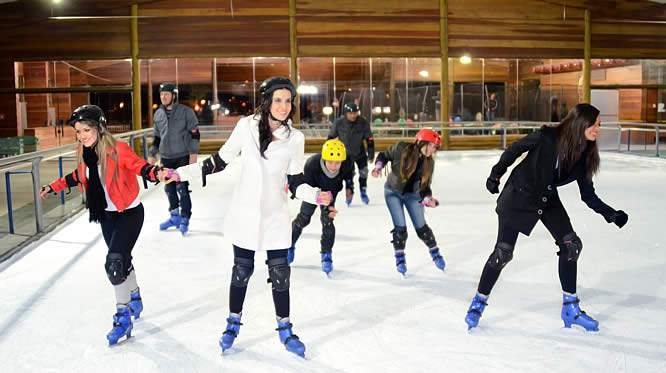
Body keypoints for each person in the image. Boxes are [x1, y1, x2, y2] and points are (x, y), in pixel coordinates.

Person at [161, 77, 332, 357]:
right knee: (241, 272)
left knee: (280, 275)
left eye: (288, 101)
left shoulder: (295, 139)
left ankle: (285, 329)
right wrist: (180, 173)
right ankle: (232, 324)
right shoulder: (246, 127)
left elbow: (297, 181)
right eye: (278, 100)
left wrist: (315, 195)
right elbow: (219, 160)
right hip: (245, 214)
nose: (283, 106)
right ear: (266, 101)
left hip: (276, 216)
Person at [465, 103, 629, 332]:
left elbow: (588, 195)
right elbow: (514, 150)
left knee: (571, 245)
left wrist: (610, 214)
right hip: (519, 195)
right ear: (580, 123)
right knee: (503, 252)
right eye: (594, 124)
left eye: (598, 124)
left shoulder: (584, 155)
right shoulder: (547, 137)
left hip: (546, 197)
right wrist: (495, 175)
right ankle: (478, 304)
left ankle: (571, 309)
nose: (597, 129)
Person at [39, 105, 162, 345]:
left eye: (87, 129)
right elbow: (78, 176)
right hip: (106, 215)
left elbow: (139, 166)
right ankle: (134, 296)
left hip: (129, 213)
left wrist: (155, 172)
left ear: (99, 128)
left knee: (115, 264)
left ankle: (122, 317)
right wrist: (52, 187)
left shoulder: (118, 150)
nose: (82, 135)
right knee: (122, 260)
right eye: (78, 131)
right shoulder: (85, 154)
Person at [371, 129, 445, 276]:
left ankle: (435, 252)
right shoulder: (400, 148)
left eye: (435, 147)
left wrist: (428, 199)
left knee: (422, 229)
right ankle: (400, 256)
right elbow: (384, 155)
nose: (432, 150)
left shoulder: (428, 163)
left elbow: (425, 187)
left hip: (412, 194)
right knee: (400, 229)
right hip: (393, 192)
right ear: (420, 142)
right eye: (430, 145)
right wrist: (379, 166)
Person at [288, 139, 353, 274]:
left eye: (337, 162)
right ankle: (290, 244)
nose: (334, 166)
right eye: (330, 162)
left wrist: (349, 189)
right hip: (313, 192)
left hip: (330, 193)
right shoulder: (312, 165)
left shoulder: (347, 163)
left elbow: (348, 177)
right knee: (304, 218)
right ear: (324, 159)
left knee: (328, 221)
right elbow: (307, 188)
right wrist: (319, 199)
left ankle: (326, 254)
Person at [149, 82, 200, 235]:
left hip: (182, 156)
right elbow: (157, 137)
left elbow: (194, 133)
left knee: (182, 188)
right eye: (161, 94)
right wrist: (152, 153)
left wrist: (194, 154)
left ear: (173, 95)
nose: (164, 97)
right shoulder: (158, 114)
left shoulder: (186, 112)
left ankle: (185, 218)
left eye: (167, 94)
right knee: (168, 188)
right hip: (166, 157)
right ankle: (174, 216)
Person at [328, 103, 374, 206]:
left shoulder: (363, 123)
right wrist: (329, 156)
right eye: (350, 113)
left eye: (355, 113)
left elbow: (369, 139)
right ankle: (349, 190)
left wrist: (371, 154)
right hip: (345, 155)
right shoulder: (339, 123)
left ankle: (363, 190)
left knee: (364, 172)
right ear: (346, 114)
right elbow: (330, 138)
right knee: (348, 175)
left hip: (360, 152)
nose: (353, 116)